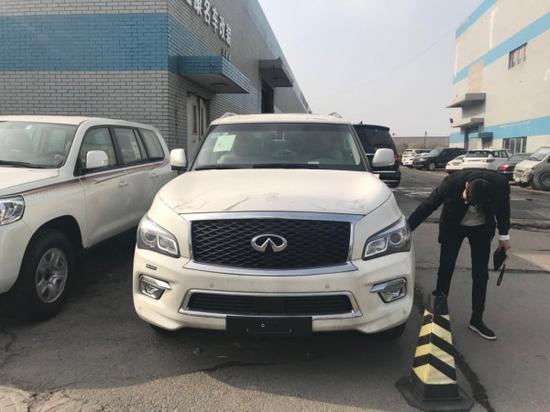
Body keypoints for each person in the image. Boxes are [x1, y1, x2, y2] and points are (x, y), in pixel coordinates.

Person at [408, 169, 512, 340]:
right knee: (446, 268)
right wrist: (406, 228)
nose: (473, 208)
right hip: (453, 227)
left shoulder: (500, 185)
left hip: (481, 230)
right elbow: (428, 205)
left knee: (481, 274)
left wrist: (504, 236)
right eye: (468, 201)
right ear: (466, 185)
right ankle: (439, 315)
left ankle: (476, 320)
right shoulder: (451, 183)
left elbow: (503, 210)